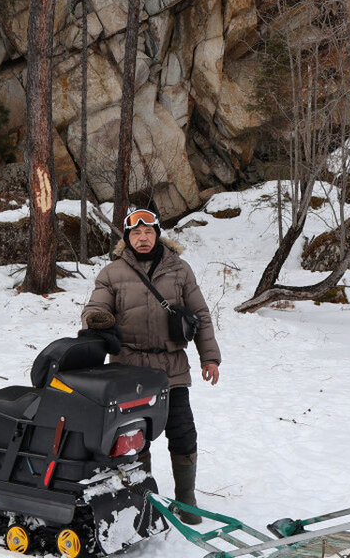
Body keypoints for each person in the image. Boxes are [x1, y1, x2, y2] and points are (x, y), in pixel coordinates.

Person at [82, 207, 221, 524]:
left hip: (172, 368)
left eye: (148, 232)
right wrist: (96, 320)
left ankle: (186, 498)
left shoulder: (180, 269)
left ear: (157, 233)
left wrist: (209, 357)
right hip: (129, 371)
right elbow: (95, 306)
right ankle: (141, 497)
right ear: (127, 238)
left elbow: (200, 315)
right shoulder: (111, 273)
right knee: (134, 437)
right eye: (135, 233)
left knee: (183, 433)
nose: (142, 238)